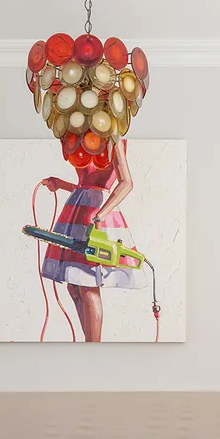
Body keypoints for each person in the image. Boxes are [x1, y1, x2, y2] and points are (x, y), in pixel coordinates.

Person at [37, 140, 144, 342]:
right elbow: (84, 186)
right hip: (77, 210)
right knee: (74, 286)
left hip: (97, 215)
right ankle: (91, 343)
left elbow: (127, 183)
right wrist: (61, 184)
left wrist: (101, 215)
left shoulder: (114, 138)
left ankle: (93, 345)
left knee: (87, 283)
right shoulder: (81, 138)